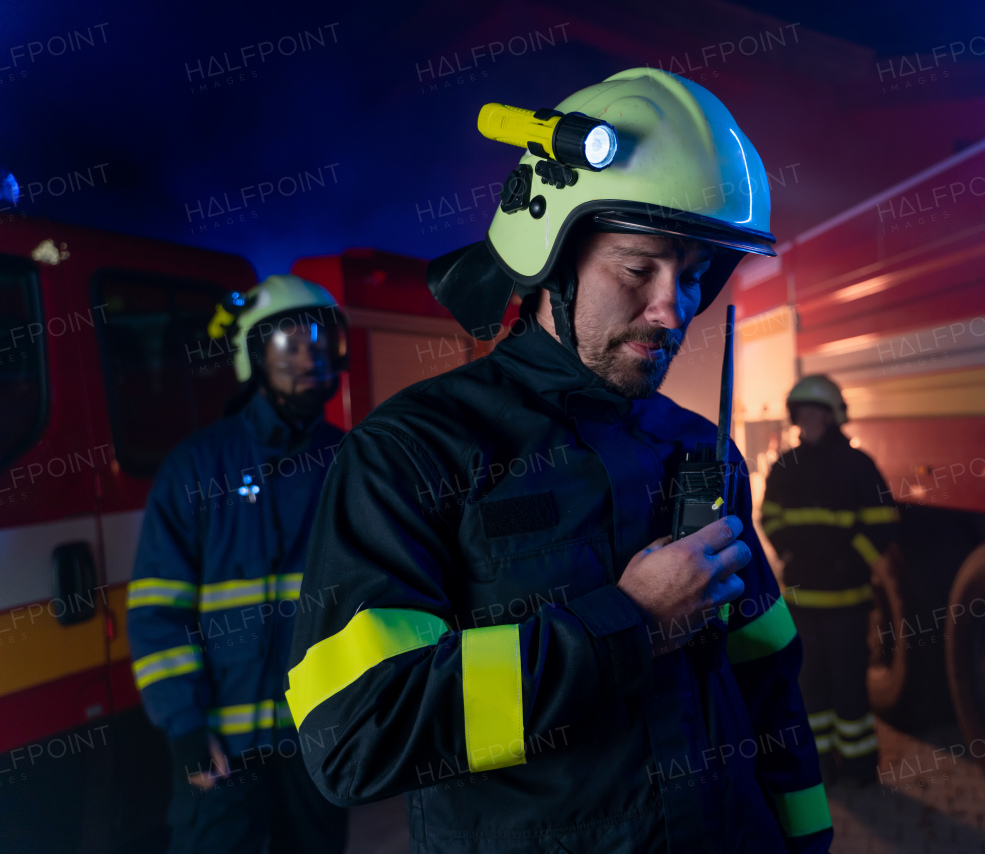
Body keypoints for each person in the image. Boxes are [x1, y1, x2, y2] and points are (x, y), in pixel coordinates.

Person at [285, 68, 832, 853]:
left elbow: (767, 670)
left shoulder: (696, 448)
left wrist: (804, 839)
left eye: (696, 275)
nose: (672, 308)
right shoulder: (413, 452)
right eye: (639, 268)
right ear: (551, 255)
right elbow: (357, 730)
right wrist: (629, 625)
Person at [126, 275, 351, 854]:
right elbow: (157, 616)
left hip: (315, 744)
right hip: (222, 752)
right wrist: (186, 732)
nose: (312, 356)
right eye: (290, 343)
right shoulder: (196, 468)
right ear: (254, 355)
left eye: (323, 341)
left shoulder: (350, 462)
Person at [760, 376, 901, 787]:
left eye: (815, 411)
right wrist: (787, 550)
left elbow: (882, 522)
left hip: (847, 598)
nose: (808, 418)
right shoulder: (786, 464)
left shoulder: (857, 465)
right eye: (802, 412)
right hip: (803, 598)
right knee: (810, 685)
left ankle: (859, 767)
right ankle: (820, 766)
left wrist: (850, 561)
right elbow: (769, 515)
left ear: (832, 415)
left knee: (849, 684)